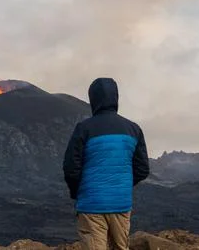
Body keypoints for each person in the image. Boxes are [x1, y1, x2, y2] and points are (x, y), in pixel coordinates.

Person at [63, 78, 150, 250]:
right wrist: (121, 185)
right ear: (115, 97)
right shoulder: (133, 129)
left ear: (93, 99)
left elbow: (71, 168)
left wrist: (77, 192)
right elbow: (142, 169)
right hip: (121, 204)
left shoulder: (84, 128)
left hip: (91, 205)